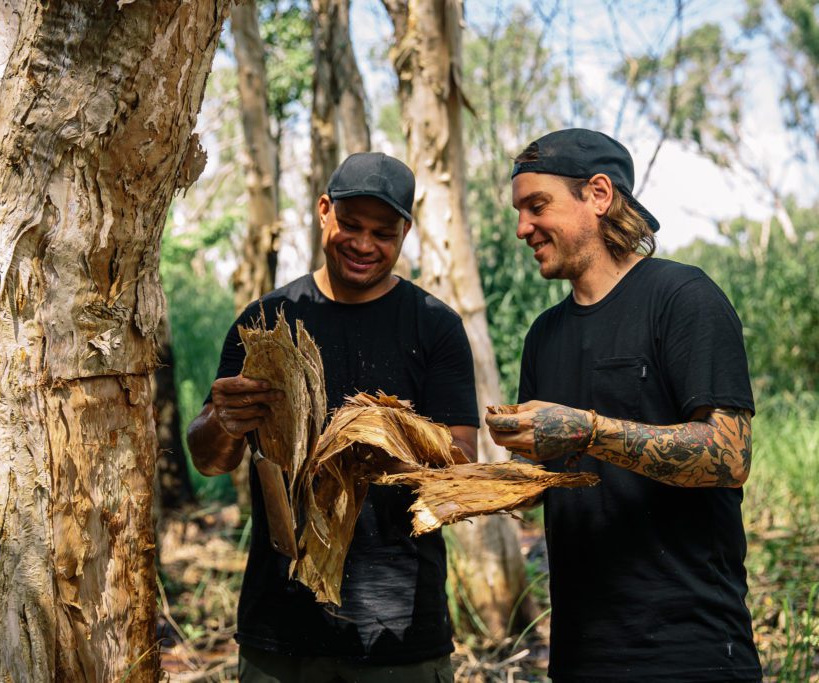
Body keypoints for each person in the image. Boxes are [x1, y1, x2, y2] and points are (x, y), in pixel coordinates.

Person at [187, 152, 479, 682]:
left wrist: (384, 436)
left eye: (383, 233)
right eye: (351, 225)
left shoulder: (435, 327)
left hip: (401, 634)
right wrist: (224, 422)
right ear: (325, 211)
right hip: (281, 631)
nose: (365, 244)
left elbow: (460, 465)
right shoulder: (266, 321)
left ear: (405, 233)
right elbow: (208, 458)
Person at [485, 128, 762, 682]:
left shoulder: (683, 298)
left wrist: (588, 431)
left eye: (537, 206)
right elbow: (552, 479)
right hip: (581, 649)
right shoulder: (544, 335)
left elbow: (729, 456)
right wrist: (464, 480)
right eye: (519, 211)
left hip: (689, 649)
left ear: (599, 195)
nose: (522, 229)